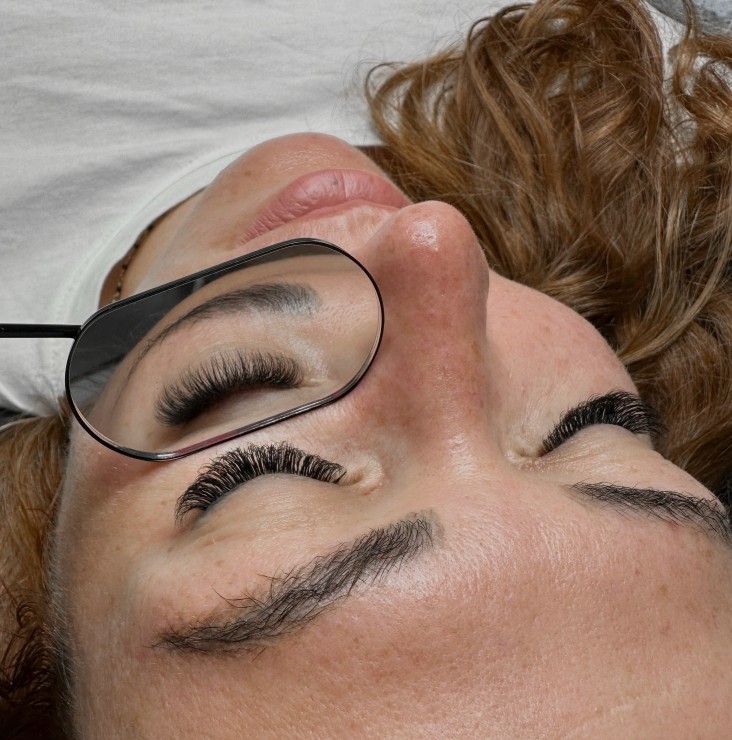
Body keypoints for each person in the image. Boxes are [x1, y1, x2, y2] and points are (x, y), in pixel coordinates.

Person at [1, 0, 731, 736]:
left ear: (40, 586)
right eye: (590, 428)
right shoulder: (685, 128)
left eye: (263, 474)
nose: (434, 245)